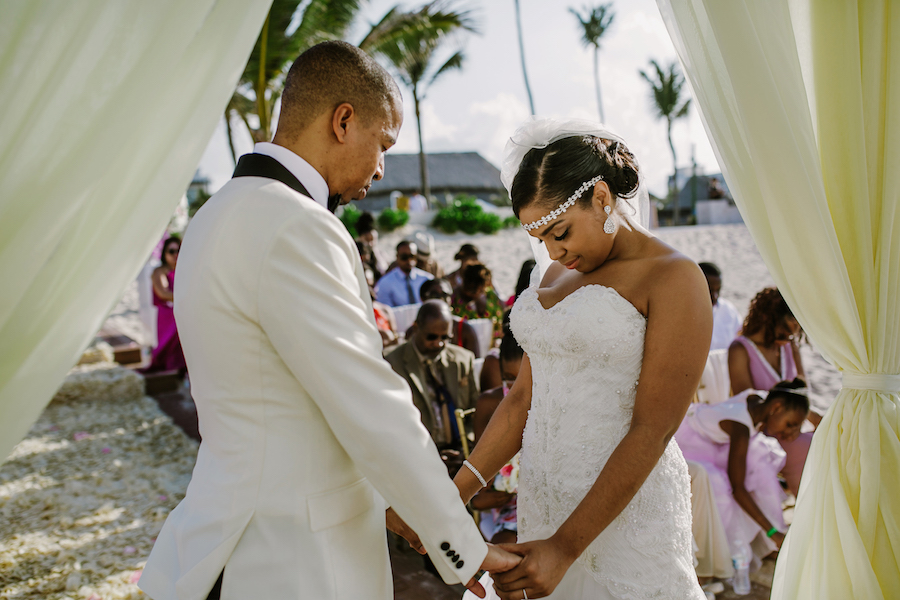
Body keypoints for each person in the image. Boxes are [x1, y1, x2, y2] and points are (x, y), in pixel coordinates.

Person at [138, 41, 516, 600]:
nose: (382, 167)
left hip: (225, 537)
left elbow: (287, 397)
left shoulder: (213, 214)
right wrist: (460, 541)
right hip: (294, 560)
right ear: (343, 120)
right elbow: (364, 398)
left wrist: (397, 499)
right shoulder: (298, 225)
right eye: (382, 143)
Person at [453, 119, 710, 599]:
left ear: (601, 198)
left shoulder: (674, 278)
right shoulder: (549, 275)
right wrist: (458, 493)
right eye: (540, 236)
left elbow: (652, 429)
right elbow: (522, 398)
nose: (552, 250)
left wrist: (565, 547)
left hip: (624, 520)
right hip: (542, 504)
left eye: (560, 231)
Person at [675, 380, 809, 563]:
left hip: (715, 441)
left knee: (763, 474)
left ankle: (765, 543)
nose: (790, 432)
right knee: (723, 492)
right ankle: (711, 556)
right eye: (790, 424)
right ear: (776, 408)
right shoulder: (740, 427)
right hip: (689, 439)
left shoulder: (759, 398)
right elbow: (738, 489)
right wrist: (771, 532)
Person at [728, 287, 819, 496]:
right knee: (811, 447)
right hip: (763, 431)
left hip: (792, 424)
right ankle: (809, 509)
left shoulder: (789, 346)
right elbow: (748, 403)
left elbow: (803, 391)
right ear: (768, 318)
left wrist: (805, 417)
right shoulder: (740, 350)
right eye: (785, 331)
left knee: (835, 434)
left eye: (794, 332)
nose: (790, 337)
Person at [385, 300, 479, 452]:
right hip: (415, 453)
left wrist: (465, 450)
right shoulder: (391, 362)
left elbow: (475, 412)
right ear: (416, 328)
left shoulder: (463, 359)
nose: (439, 344)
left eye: (445, 337)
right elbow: (390, 422)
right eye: (431, 337)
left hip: (460, 450)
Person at [469, 333, 525, 545]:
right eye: (509, 379)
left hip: (552, 498)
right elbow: (482, 469)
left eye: (523, 379)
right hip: (508, 503)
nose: (516, 388)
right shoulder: (490, 402)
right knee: (506, 548)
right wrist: (481, 497)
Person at [144, 236, 186, 373]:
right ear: (164, 253)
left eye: (178, 250)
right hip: (167, 313)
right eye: (171, 251)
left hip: (181, 308)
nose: (175, 254)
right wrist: (187, 298)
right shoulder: (160, 271)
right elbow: (163, 293)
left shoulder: (185, 269)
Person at [419, 278, 480, 357]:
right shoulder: (415, 330)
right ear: (423, 298)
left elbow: (475, 364)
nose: (440, 299)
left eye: (445, 295)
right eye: (434, 295)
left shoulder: (465, 330)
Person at [450, 263, 505, 341]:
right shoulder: (456, 298)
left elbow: (502, 316)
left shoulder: (490, 295)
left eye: (481, 289)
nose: (478, 292)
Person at [375, 240, 434, 306]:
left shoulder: (427, 279)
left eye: (412, 256)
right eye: (404, 257)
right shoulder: (385, 282)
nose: (409, 260)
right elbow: (386, 311)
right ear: (397, 257)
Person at [699, 262, 742, 351]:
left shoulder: (729, 311)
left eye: (718, 290)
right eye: (710, 290)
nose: (715, 296)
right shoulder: (682, 310)